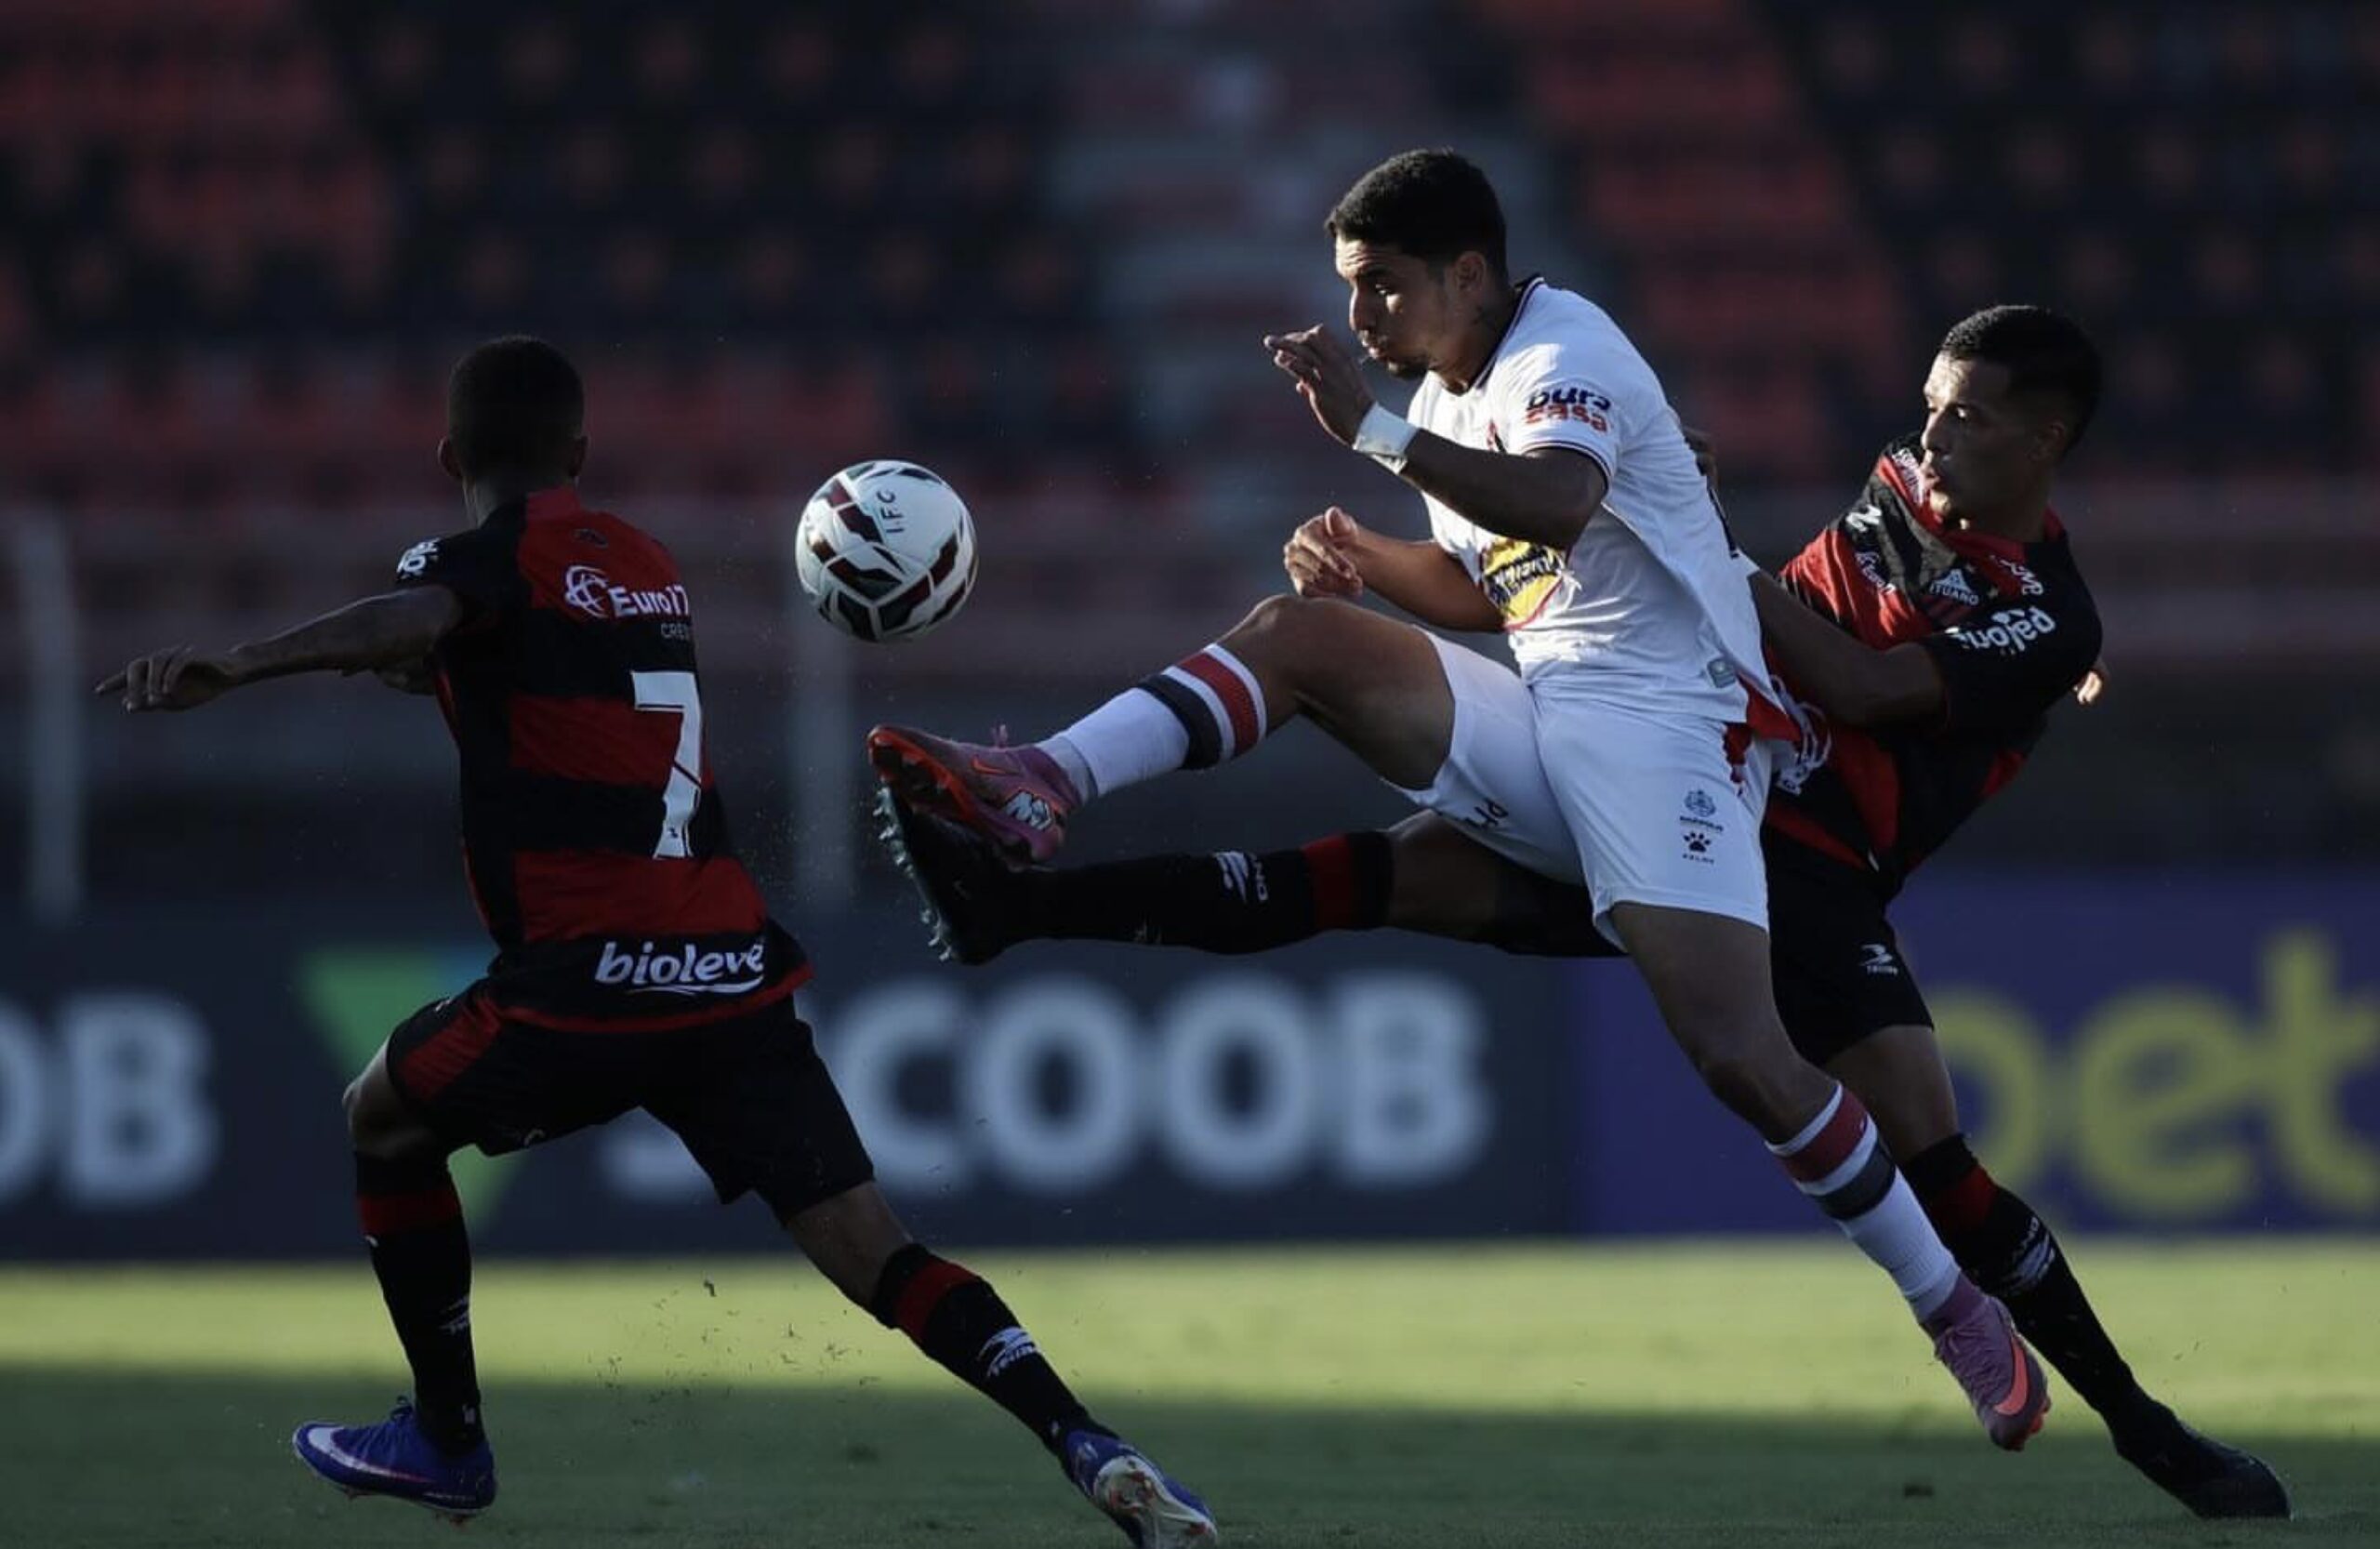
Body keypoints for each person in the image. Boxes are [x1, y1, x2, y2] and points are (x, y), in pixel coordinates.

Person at [876, 307, 2291, 1520]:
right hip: (1672, 768)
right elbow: (1596, 601)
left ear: (2045, 441)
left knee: (1931, 1155)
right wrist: (1466, 560)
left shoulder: (2048, 617)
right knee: (1377, 876)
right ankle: (1022, 901)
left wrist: (1707, 552)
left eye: (1968, 420)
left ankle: (2142, 1423)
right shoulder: (1896, 495)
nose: (1931, 439)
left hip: (1807, 867)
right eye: (1928, 407)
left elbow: (1860, 692)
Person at [98, 337, 1218, 1547]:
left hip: (583, 983)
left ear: (446, 457)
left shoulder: (478, 561)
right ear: (579, 454)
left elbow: (427, 610)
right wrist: (439, 675)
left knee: (380, 1114)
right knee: (875, 1251)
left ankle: (448, 1437)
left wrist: (241, 662)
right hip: (731, 971)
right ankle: (1086, 1440)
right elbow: (550, 672)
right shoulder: (643, 563)